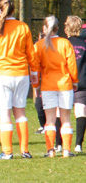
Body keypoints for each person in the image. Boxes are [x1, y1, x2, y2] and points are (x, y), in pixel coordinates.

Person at [0, 0, 39, 160]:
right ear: (13, 11)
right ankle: (25, 150)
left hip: (2, 75)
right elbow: (31, 53)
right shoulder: (23, 27)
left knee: (5, 116)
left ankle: (7, 152)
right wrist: (34, 72)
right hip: (21, 74)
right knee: (21, 113)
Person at [34, 16, 78, 157]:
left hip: (47, 85)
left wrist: (36, 85)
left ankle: (50, 150)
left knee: (50, 120)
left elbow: (35, 68)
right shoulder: (65, 43)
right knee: (65, 118)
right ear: (57, 28)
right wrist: (75, 81)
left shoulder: (40, 45)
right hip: (65, 84)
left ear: (44, 28)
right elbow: (72, 65)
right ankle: (66, 150)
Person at [65, 16, 86, 153]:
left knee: (61, 113)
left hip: (65, 82)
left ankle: (59, 144)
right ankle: (78, 144)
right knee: (81, 111)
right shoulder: (85, 44)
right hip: (82, 81)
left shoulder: (62, 43)